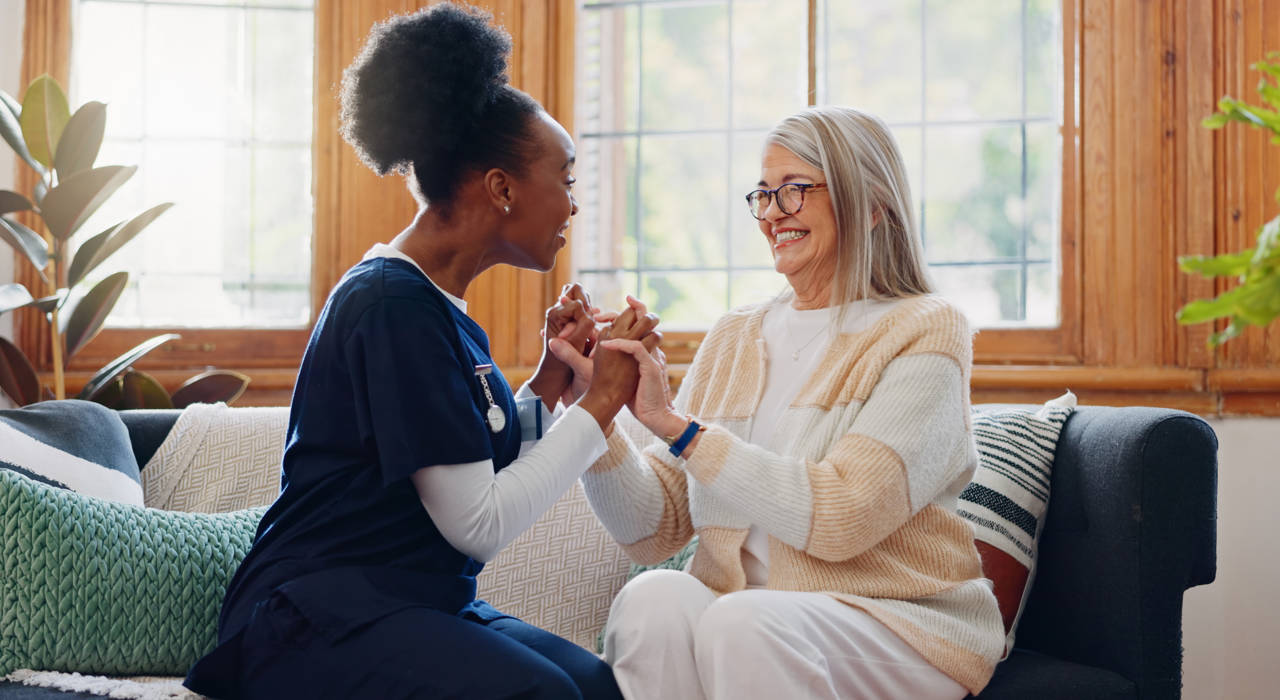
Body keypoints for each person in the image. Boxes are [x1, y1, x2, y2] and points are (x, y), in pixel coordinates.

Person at [183, 4, 652, 698]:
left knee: (594, 685)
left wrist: (551, 382)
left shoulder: (437, 309)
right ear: (501, 188)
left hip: (410, 604)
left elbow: (475, 459)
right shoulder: (391, 306)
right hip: (315, 620)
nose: (574, 206)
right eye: (569, 179)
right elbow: (477, 524)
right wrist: (604, 404)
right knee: (542, 695)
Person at [550, 106, 1005, 699]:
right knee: (652, 598)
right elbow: (651, 532)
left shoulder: (924, 330)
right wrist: (598, 411)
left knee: (744, 621)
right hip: (748, 614)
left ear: (871, 206)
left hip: (899, 622)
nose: (771, 215)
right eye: (763, 195)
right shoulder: (735, 336)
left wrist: (677, 427)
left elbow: (844, 516)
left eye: (793, 192)